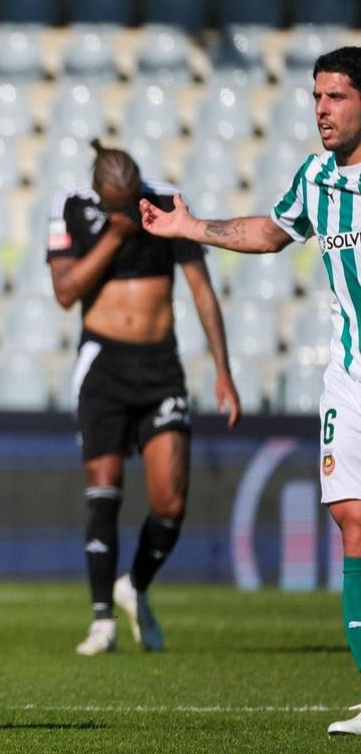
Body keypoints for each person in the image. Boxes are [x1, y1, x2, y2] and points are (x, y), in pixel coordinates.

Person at [142, 46, 361, 734]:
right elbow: (270, 232)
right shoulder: (316, 178)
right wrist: (189, 226)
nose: (321, 110)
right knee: (350, 518)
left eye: (336, 97)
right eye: (316, 97)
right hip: (350, 376)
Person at [47, 141, 240, 656]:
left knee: (171, 501)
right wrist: (114, 236)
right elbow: (65, 292)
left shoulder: (167, 203)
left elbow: (201, 290)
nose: (128, 208)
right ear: (99, 192)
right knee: (104, 491)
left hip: (160, 369)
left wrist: (222, 370)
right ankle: (101, 622)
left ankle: (135, 585)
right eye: (118, 202)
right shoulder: (70, 207)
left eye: (131, 198)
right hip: (103, 368)